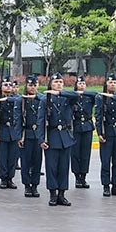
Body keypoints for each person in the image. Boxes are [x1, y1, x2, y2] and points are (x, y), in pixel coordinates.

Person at [40, 74, 78, 207]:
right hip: (52, 136)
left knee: (64, 167)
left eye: (61, 82)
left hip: (66, 137)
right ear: (51, 84)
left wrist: (60, 92)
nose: (58, 84)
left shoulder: (67, 97)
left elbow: (76, 96)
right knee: (51, 167)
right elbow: (40, 121)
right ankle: (53, 194)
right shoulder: (45, 100)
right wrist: (41, 139)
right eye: (56, 82)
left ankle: (62, 194)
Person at [89, 76, 116, 197]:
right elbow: (98, 116)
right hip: (107, 132)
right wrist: (100, 133)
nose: (113, 85)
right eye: (110, 82)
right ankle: (106, 186)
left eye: (114, 82)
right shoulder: (100, 98)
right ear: (106, 84)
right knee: (105, 161)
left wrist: (112, 96)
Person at [17, 76, 44, 199]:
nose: (32, 88)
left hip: (37, 134)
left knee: (37, 161)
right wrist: (18, 137)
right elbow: (17, 120)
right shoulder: (21, 100)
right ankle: (27, 185)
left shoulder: (41, 99)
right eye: (30, 85)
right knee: (26, 161)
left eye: (34, 85)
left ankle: (35, 185)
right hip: (26, 134)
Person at [0, 78, 21, 190]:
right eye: (5, 85)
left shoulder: (16, 99)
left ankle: (10, 178)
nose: (8, 87)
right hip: (3, 131)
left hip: (14, 132)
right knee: (3, 157)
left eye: (10, 85)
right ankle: (3, 178)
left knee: (12, 157)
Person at [71, 73, 96, 189]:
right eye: (79, 83)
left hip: (87, 126)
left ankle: (83, 177)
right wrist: (76, 93)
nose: (81, 85)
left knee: (85, 153)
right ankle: (77, 177)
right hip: (76, 127)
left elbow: (97, 95)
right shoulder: (72, 96)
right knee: (76, 153)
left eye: (83, 83)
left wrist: (83, 92)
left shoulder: (89, 96)